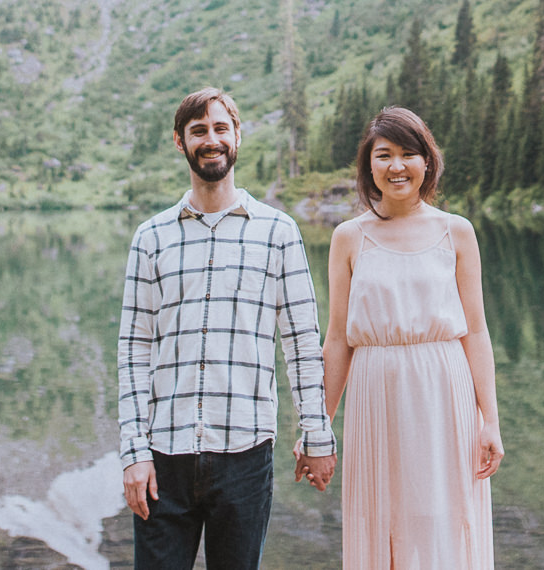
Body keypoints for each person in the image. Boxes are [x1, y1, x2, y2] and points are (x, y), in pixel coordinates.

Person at [119, 87, 337, 570]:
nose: (211, 139)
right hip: (163, 456)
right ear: (181, 142)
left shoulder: (278, 233)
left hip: (245, 453)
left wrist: (316, 434)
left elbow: (301, 345)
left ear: (238, 136)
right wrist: (134, 452)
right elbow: (134, 351)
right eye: (199, 131)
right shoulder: (150, 238)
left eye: (221, 128)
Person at [323, 106, 502, 570]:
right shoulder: (348, 237)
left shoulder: (456, 231)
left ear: (428, 161)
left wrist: (490, 421)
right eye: (384, 155)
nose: (396, 166)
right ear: (368, 167)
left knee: (444, 518)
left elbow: (477, 331)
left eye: (408, 153)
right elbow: (339, 340)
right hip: (374, 394)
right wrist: (319, 424)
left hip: (444, 393)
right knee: (382, 521)